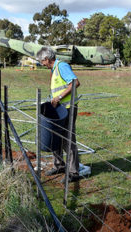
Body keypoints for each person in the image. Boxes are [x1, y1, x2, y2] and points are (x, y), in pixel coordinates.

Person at [36, 47, 82, 182]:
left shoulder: (62, 66)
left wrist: (59, 97)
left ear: (46, 59)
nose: (41, 64)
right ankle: (59, 165)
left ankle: (73, 172)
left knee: (68, 139)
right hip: (59, 108)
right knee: (55, 136)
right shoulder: (54, 69)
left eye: (41, 61)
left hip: (67, 108)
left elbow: (75, 83)